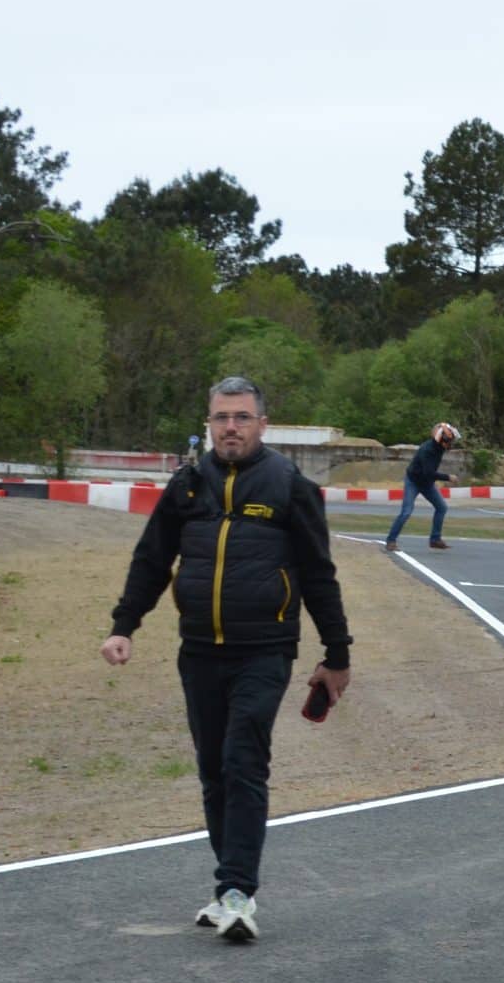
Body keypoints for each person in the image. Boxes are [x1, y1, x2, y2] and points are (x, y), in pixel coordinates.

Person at [102, 377, 352, 944]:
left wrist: (337, 655)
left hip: (265, 649)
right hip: (198, 651)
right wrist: (124, 626)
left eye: (241, 417)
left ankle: (238, 890)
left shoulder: (290, 486)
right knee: (214, 769)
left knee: (244, 760)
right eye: (221, 417)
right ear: (209, 423)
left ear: (263, 423)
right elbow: (152, 559)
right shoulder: (188, 485)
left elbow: (319, 575)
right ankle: (227, 892)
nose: (231, 427)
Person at [383, 421, 458, 552]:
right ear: (441, 439)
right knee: (406, 512)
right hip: (413, 481)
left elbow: (429, 475)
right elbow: (429, 473)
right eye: (449, 441)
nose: (450, 444)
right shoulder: (427, 450)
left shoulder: (439, 448)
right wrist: (448, 477)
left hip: (427, 483)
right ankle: (391, 540)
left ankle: (435, 539)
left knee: (442, 507)